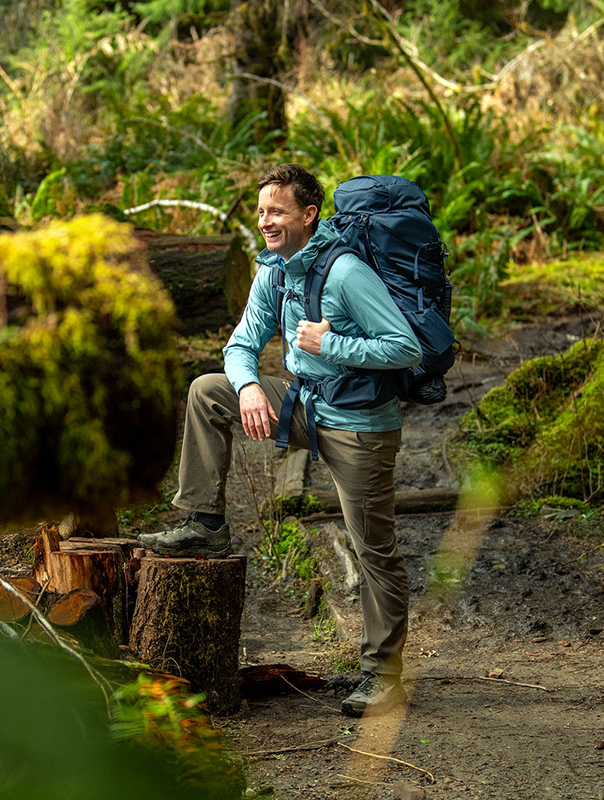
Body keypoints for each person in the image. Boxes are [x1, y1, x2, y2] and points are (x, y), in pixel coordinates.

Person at [138, 163, 421, 717]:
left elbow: (404, 346)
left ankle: (383, 675)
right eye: (261, 211)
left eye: (277, 211)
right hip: (306, 405)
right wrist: (246, 387)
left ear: (308, 215)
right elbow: (241, 343)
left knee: (373, 548)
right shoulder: (274, 271)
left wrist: (332, 344)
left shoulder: (345, 274)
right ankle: (205, 523)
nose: (265, 221)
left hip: (360, 426)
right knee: (207, 390)